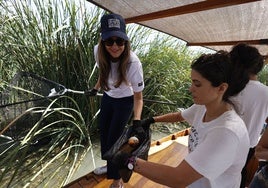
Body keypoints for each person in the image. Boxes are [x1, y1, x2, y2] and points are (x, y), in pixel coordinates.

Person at [112, 51, 250, 187]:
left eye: (197, 84)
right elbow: (178, 116)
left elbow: (178, 179)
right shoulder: (203, 107)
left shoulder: (226, 132)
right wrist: (151, 120)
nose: (191, 89)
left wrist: (128, 161)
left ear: (221, 88)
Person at [86, 13, 145, 188]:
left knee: (115, 140)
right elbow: (103, 72)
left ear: (125, 42)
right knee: (104, 133)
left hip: (125, 101)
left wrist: (137, 121)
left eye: (119, 41)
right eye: (109, 41)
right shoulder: (98, 51)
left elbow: (138, 97)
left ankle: (117, 178)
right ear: (102, 41)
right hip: (108, 97)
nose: (114, 46)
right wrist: (95, 88)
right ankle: (109, 166)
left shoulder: (133, 63)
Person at [228, 43, 268, 188]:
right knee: (239, 173)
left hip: (224, 139)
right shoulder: (266, 92)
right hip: (248, 146)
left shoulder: (228, 86)